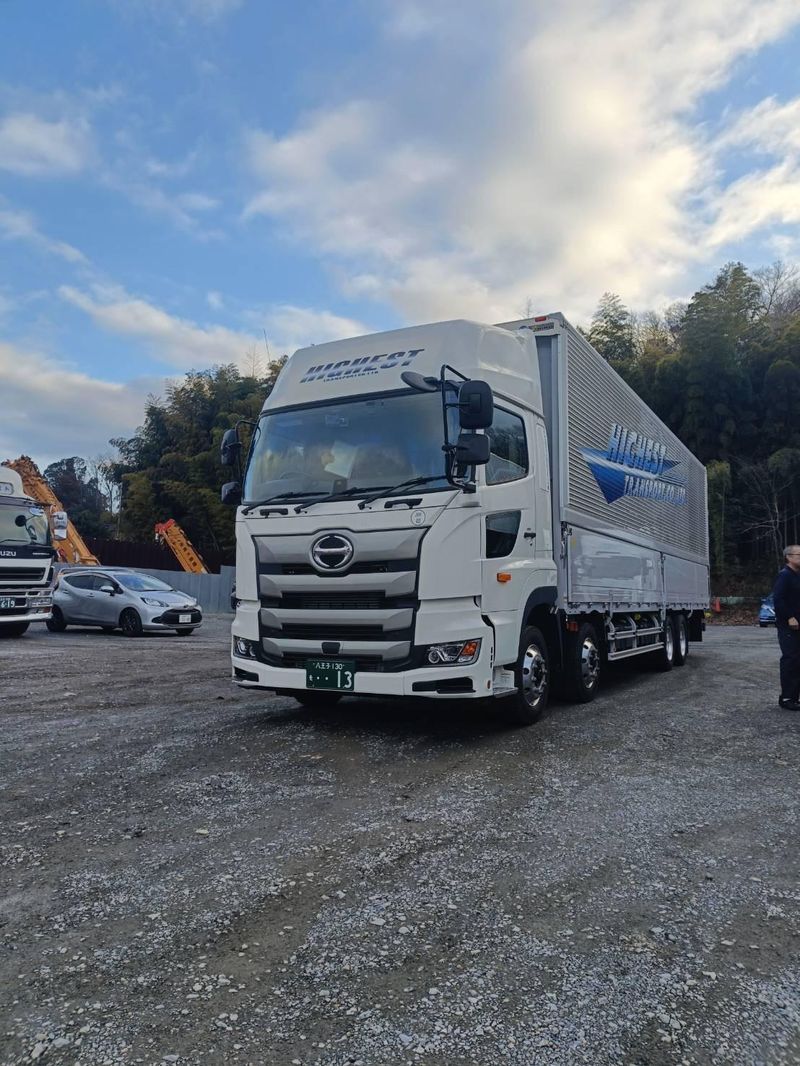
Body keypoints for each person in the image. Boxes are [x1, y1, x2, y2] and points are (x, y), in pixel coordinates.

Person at [772, 545, 800, 711]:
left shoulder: (797, 575)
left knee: (797, 661)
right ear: (788, 557)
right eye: (799, 554)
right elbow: (778, 599)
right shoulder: (785, 575)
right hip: (788, 626)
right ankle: (787, 697)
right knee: (791, 659)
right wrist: (789, 617)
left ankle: (794, 698)